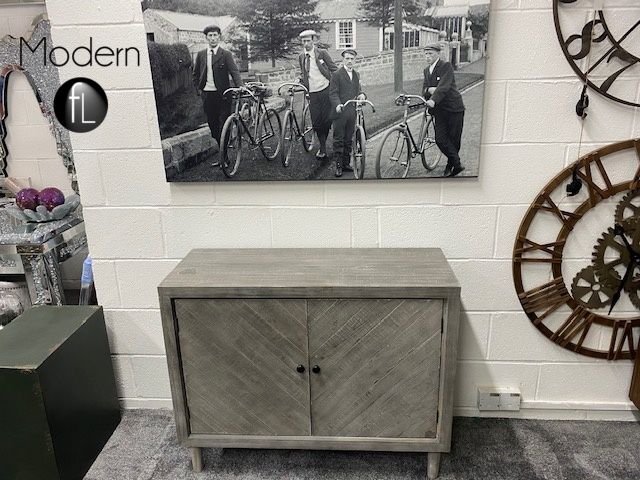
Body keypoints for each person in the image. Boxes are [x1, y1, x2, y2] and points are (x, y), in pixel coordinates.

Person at [193, 25, 243, 151]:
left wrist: (240, 86)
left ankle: (224, 156)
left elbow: (234, 72)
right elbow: (195, 74)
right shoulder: (201, 55)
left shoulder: (225, 54)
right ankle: (223, 149)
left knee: (223, 125)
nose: (213, 38)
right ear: (206, 38)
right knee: (213, 126)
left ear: (219, 37)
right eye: (210, 35)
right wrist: (198, 90)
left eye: (215, 35)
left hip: (224, 95)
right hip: (208, 95)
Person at [422, 43, 466, 177]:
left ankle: (450, 165)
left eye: (430, 53)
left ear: (437, 54)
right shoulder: (426, 70)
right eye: (426, 54)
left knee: (454, 139)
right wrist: (429, 90)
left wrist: (433, 99)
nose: (427, 56)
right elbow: (424, 90)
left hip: (454, 107)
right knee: (440, 139)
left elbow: (444, 87)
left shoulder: (446, 66)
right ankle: (457, 164)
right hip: (440, 110)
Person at [298, 29, 337, 160]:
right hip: (312, 93)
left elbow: (333, 68)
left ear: (313, 41)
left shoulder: (322, 53)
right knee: (316, 122)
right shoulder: (301, 57)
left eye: (308, 40)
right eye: (304, 41)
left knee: (326, 120)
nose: (306, 43)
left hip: (326, 90)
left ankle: (323, 146)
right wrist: (300, 81)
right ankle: (323, 147)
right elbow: (304, 73)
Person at [329, 49, 366, 177]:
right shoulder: (337, 74)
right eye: (347, 58)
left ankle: (346, 164)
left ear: (355, 60)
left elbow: (359, 90)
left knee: (348, 139)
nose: (350, 61)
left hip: (352, 112)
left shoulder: (356, 75)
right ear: (343, 60)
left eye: (352, 59)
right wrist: (338, 104)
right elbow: (333, 93)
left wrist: (361, 95)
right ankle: (338, 166)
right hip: (340, 112)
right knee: (339, 139)